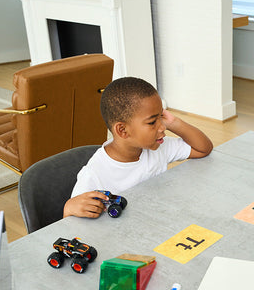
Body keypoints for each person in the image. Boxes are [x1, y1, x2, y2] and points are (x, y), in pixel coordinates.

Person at [63, 77, 213, 218]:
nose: (162, 127)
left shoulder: (158, 147)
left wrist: (174, 122)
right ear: (122, 130)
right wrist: (69, 208)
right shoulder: (94, 174)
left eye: (161, 117)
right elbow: (71, 223)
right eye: (152, 122)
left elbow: (203, 149)